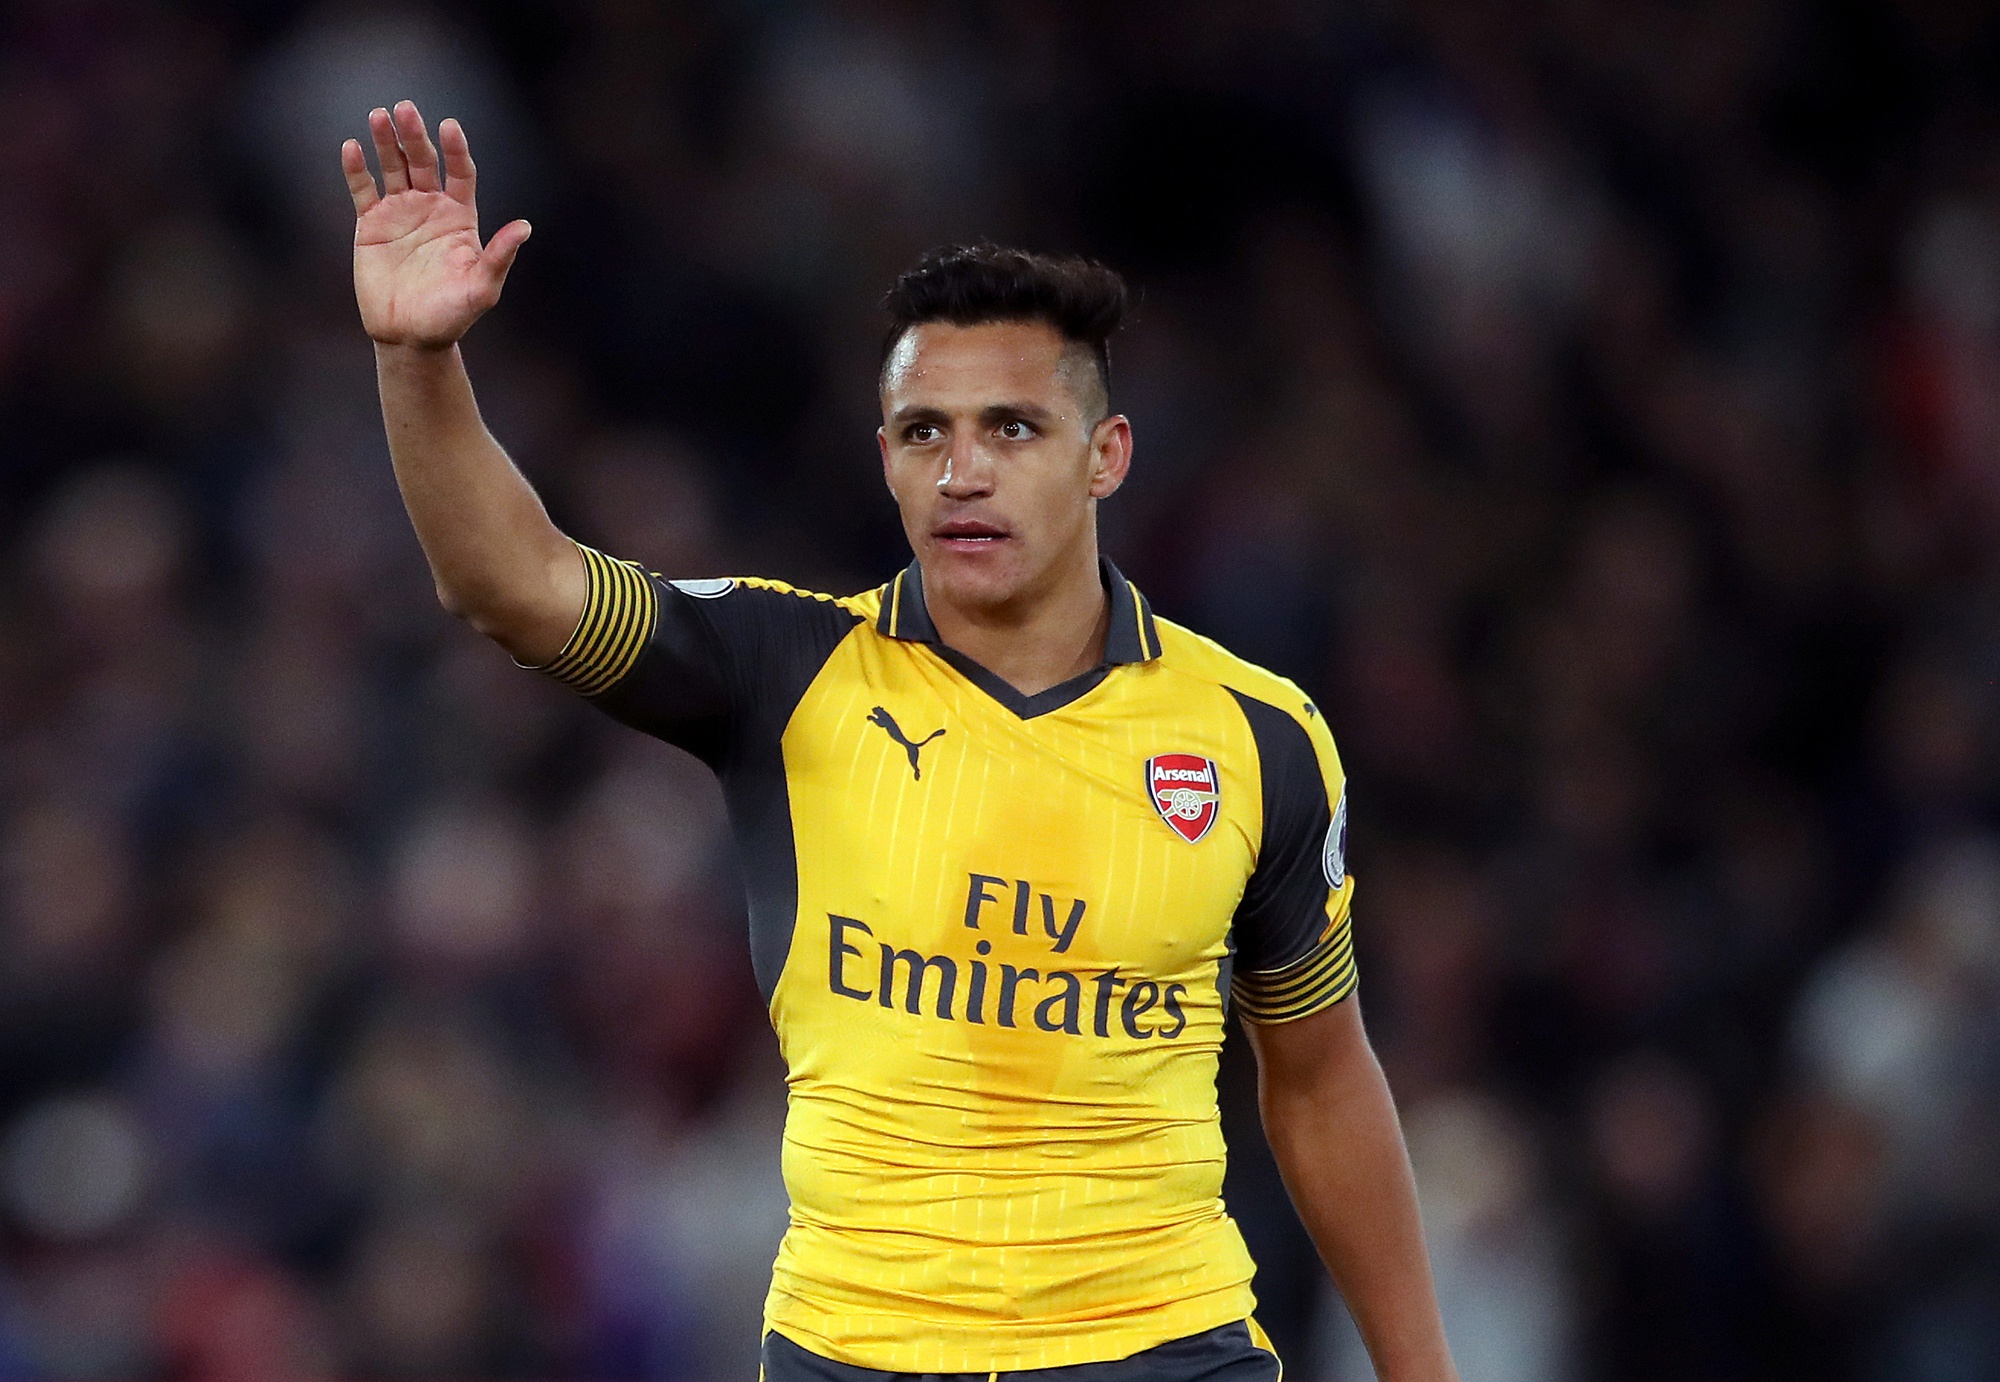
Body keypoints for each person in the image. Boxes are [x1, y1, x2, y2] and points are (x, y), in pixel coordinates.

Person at [342, 99, 1459, 1382]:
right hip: (858, 1349)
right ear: (883, 458)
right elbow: (512, 583)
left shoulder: (1254, 735)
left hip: (1162, 1348)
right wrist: (416, 359)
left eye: (1011, 428)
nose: (960, 471)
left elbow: (1318, 1081)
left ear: (1105, 456)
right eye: (925, 432)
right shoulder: (787, 669)